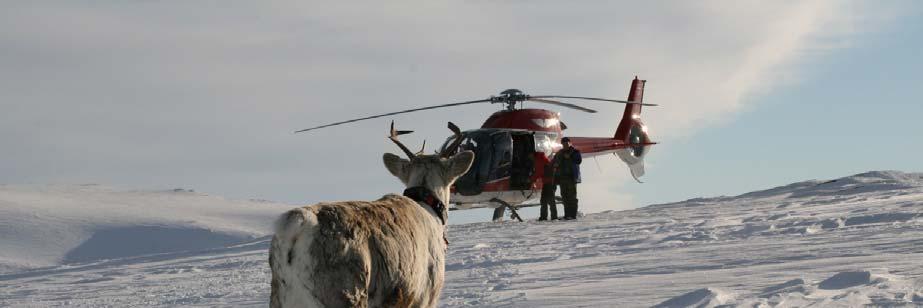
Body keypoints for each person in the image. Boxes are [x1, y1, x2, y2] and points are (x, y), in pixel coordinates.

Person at [552, 137, 582, 220]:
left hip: (571, 178)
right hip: (562, 178)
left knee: (572, 197)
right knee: (564, 197)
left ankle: (573, 215)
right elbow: (554, 162)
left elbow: (578, 160)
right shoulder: (559, 153)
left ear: (569, 143)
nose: (565, 145)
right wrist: (555, 165)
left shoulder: (575, 152)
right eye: (564, 143)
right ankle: (567, 215)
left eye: (566, 143)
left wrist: (570, 157)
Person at [537, 152, 558, 221]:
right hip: (547, 184)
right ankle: (549, 216)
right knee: (546, 201)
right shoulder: (547, 163)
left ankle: (548, 217)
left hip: (549, 184)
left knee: (549, 201)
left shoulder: (546, 163)